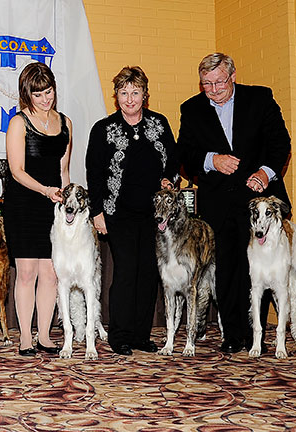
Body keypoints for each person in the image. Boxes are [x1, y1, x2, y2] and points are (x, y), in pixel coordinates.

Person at [177, 52, 291, 354]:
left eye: (219, 83)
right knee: (225, 268)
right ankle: (232, 334)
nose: (213, 90)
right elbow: (184, 155)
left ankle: (257, 335)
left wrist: (265, 175)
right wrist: (211, 160)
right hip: (217, 202)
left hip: (257, 202)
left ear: (233, 76)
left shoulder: (260, 99)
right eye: (207, 84)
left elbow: (281, 144)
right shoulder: (191, 109)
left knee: (257, 269)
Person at [85, 66, 177, 356]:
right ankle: (120, 336)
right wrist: (97, 212)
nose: (129, 98)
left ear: (144, 95)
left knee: (148, 273)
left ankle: (140, 335)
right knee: (125, 272)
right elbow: (94, 173)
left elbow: (173, 162)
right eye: (123, 93)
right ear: (116, 96)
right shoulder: (103, 129)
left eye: (135, 92)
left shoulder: (159, 124)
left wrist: (169, 179)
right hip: (117, 213)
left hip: (155, 216)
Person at [3, 62, 72, 356]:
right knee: (27, 271)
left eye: (49, 92)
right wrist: (44, 190)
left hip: (55, 205)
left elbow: (64, 170)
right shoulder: (19, 122)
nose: (45, 99)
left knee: (51, 273)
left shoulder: (66, 123)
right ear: (26, 95)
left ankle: (44, 335)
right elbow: (16, 170)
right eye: (38, 94)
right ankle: (25, 338)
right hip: (24, 203)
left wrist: (68, 201)